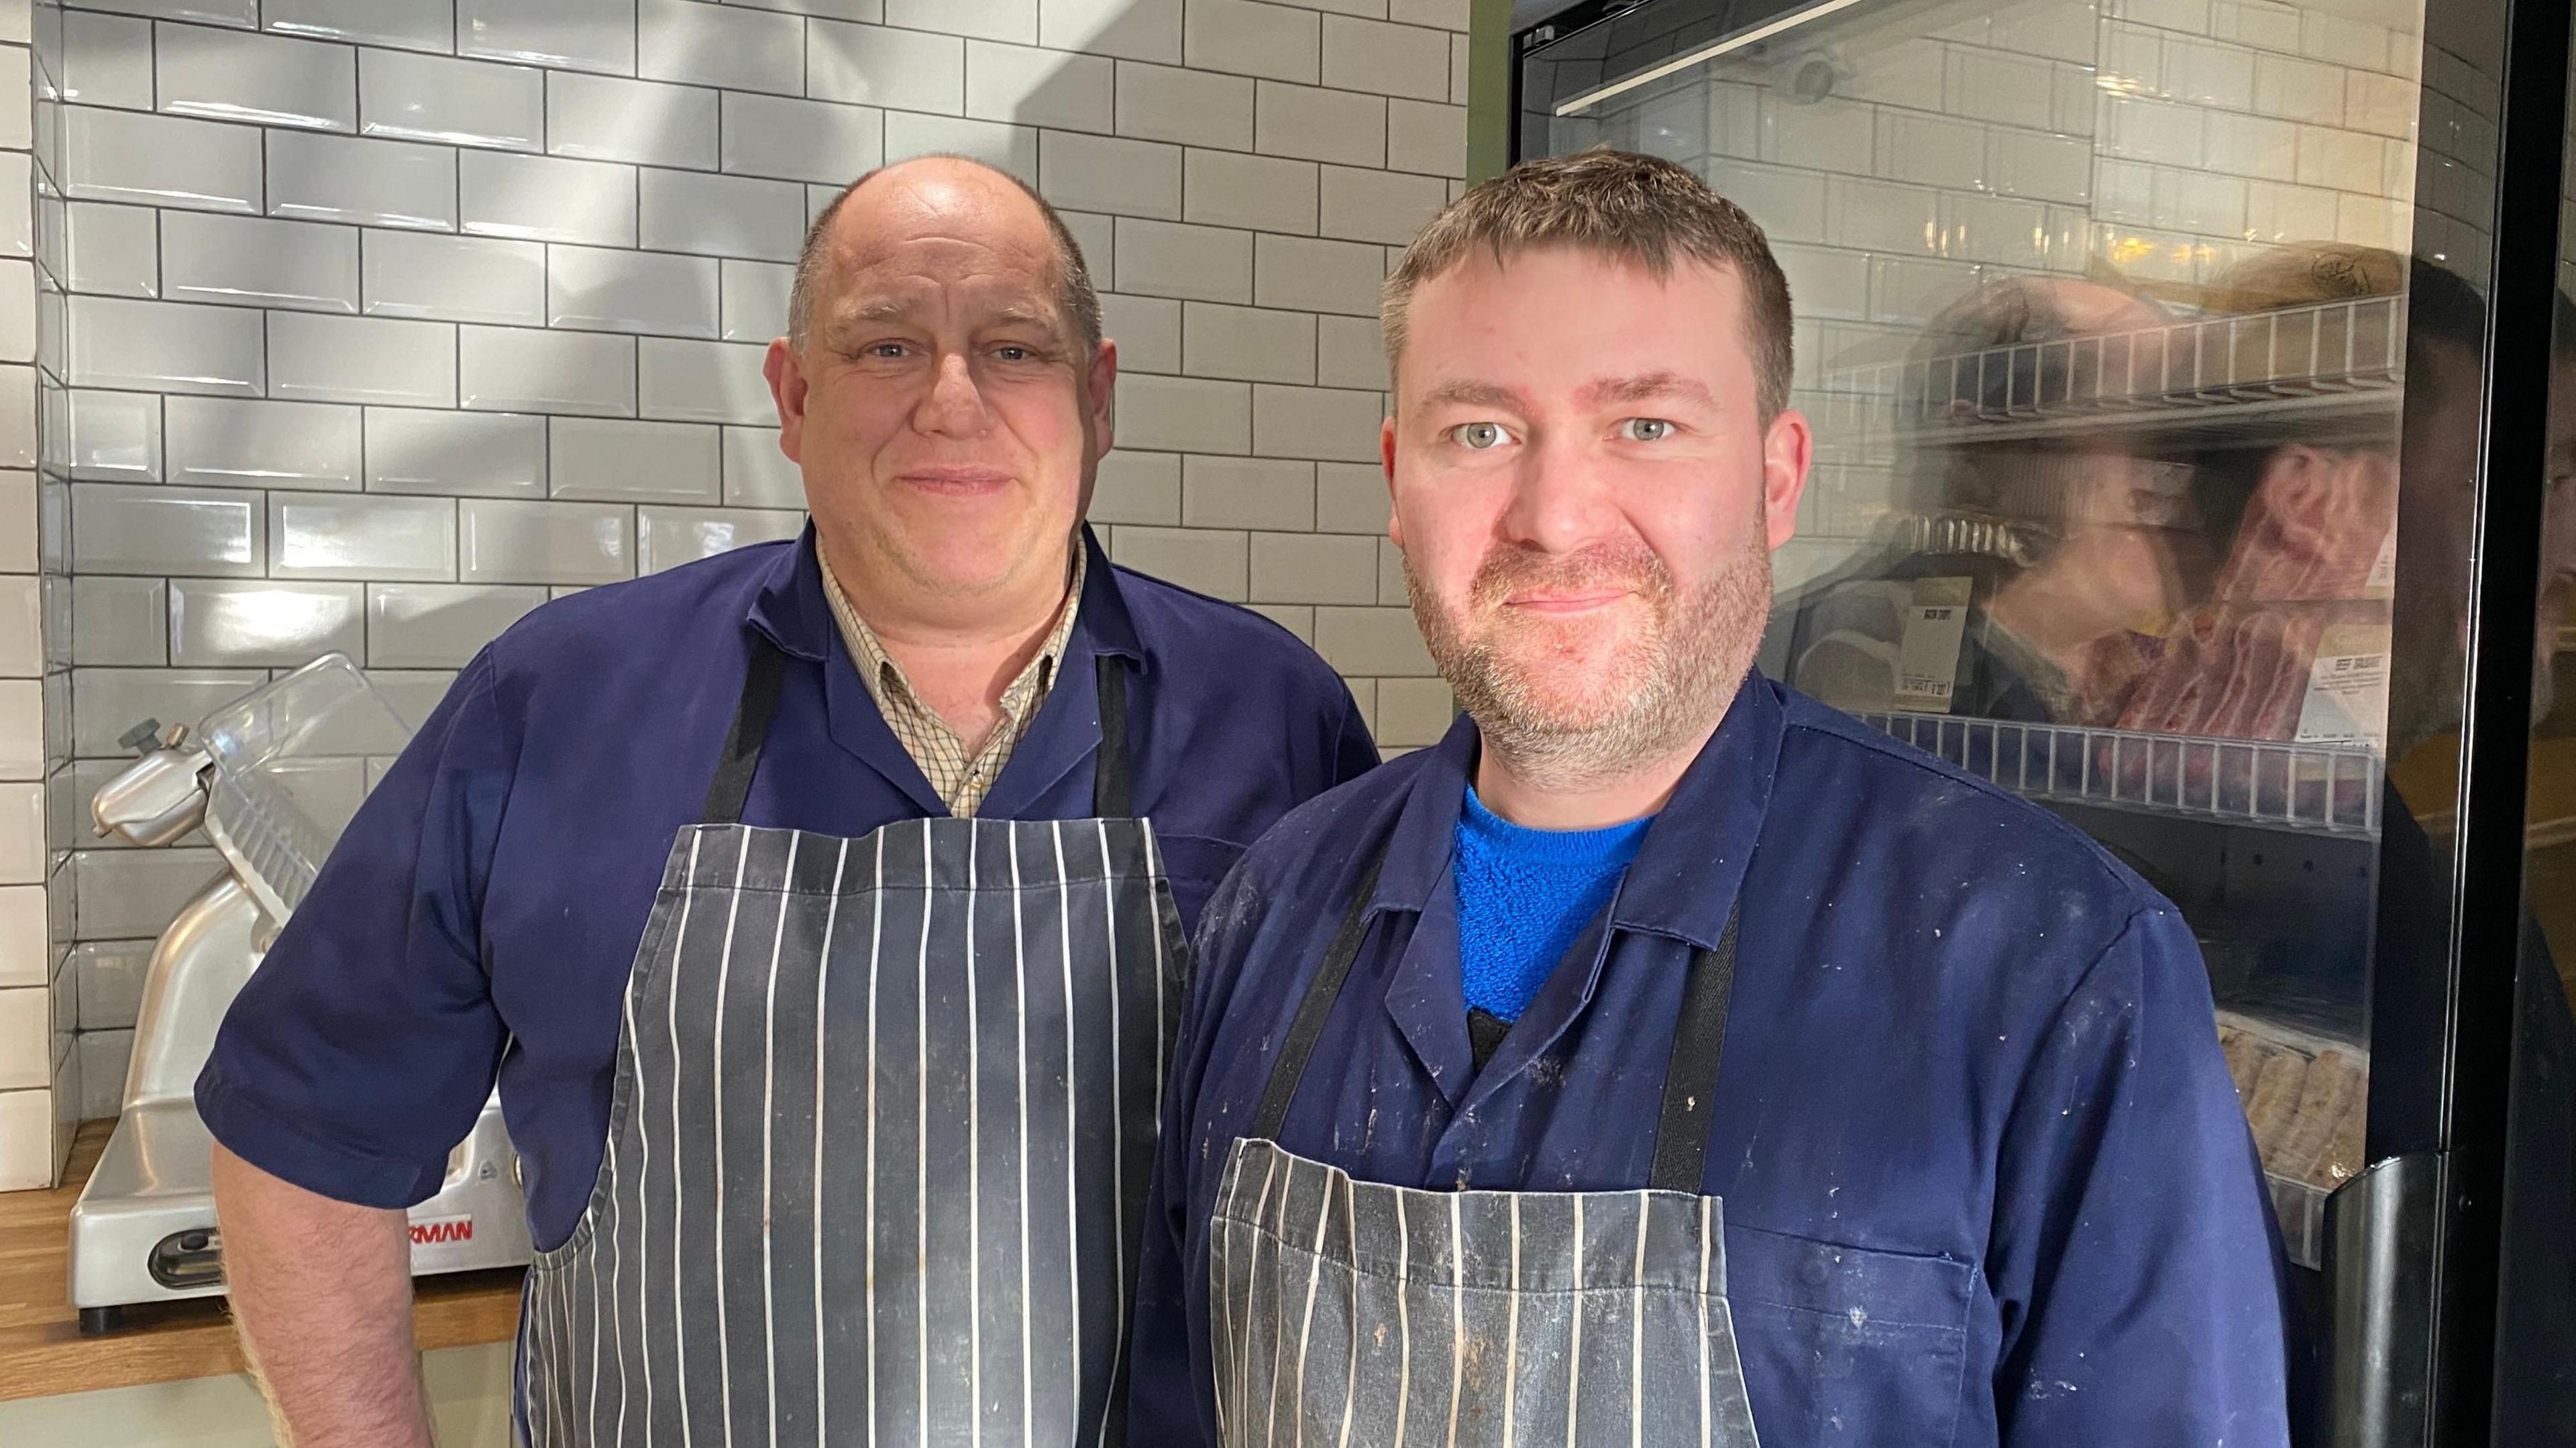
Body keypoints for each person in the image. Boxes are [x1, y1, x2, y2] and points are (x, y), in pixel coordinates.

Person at [198, 156, 1379, 1447]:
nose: (950, 401)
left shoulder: (1277, 715)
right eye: (884, 345)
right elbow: (303, 1133)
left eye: (1015, 349)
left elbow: (1362, 1203)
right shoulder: (558, 700)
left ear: (1096, 401)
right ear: (794, 394)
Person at [1126, 148, 2292, 1447]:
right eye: (1482, 432)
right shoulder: (1272, 909)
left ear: (1777, 478)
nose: (1556, 517)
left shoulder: (2052, 967)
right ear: (1400, 481)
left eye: (1646, 426)